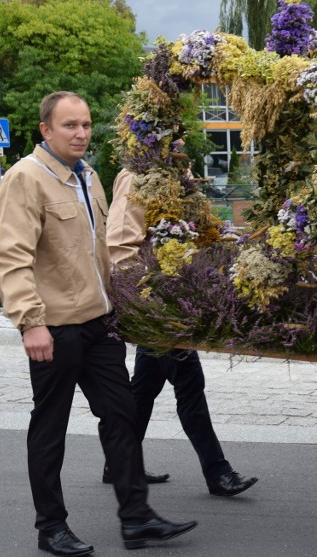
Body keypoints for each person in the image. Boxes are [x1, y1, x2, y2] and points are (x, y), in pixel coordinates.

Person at [0, 91, 198, 557]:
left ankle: (136, 518)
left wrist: (125, 305)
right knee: (51, 428)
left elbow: (99, 251)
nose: (81, 133)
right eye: (69, 125)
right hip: (55, 328)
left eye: (85, 124)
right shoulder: (26, 178)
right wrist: (30, 323)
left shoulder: (87, 176)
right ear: (46, 129)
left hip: (99, 325)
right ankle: (51, 527)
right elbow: (10, 259)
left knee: (122, 414)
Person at [103, 168, 258, 496]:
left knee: (144, 388)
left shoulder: (175, 174)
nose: (182, 139)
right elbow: (119, 242)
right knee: (189, 382)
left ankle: (118, 462)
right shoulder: (135, 175)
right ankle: (217, 472)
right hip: (157, 302)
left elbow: (191, 228)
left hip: (173, 296)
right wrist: (141, 298)